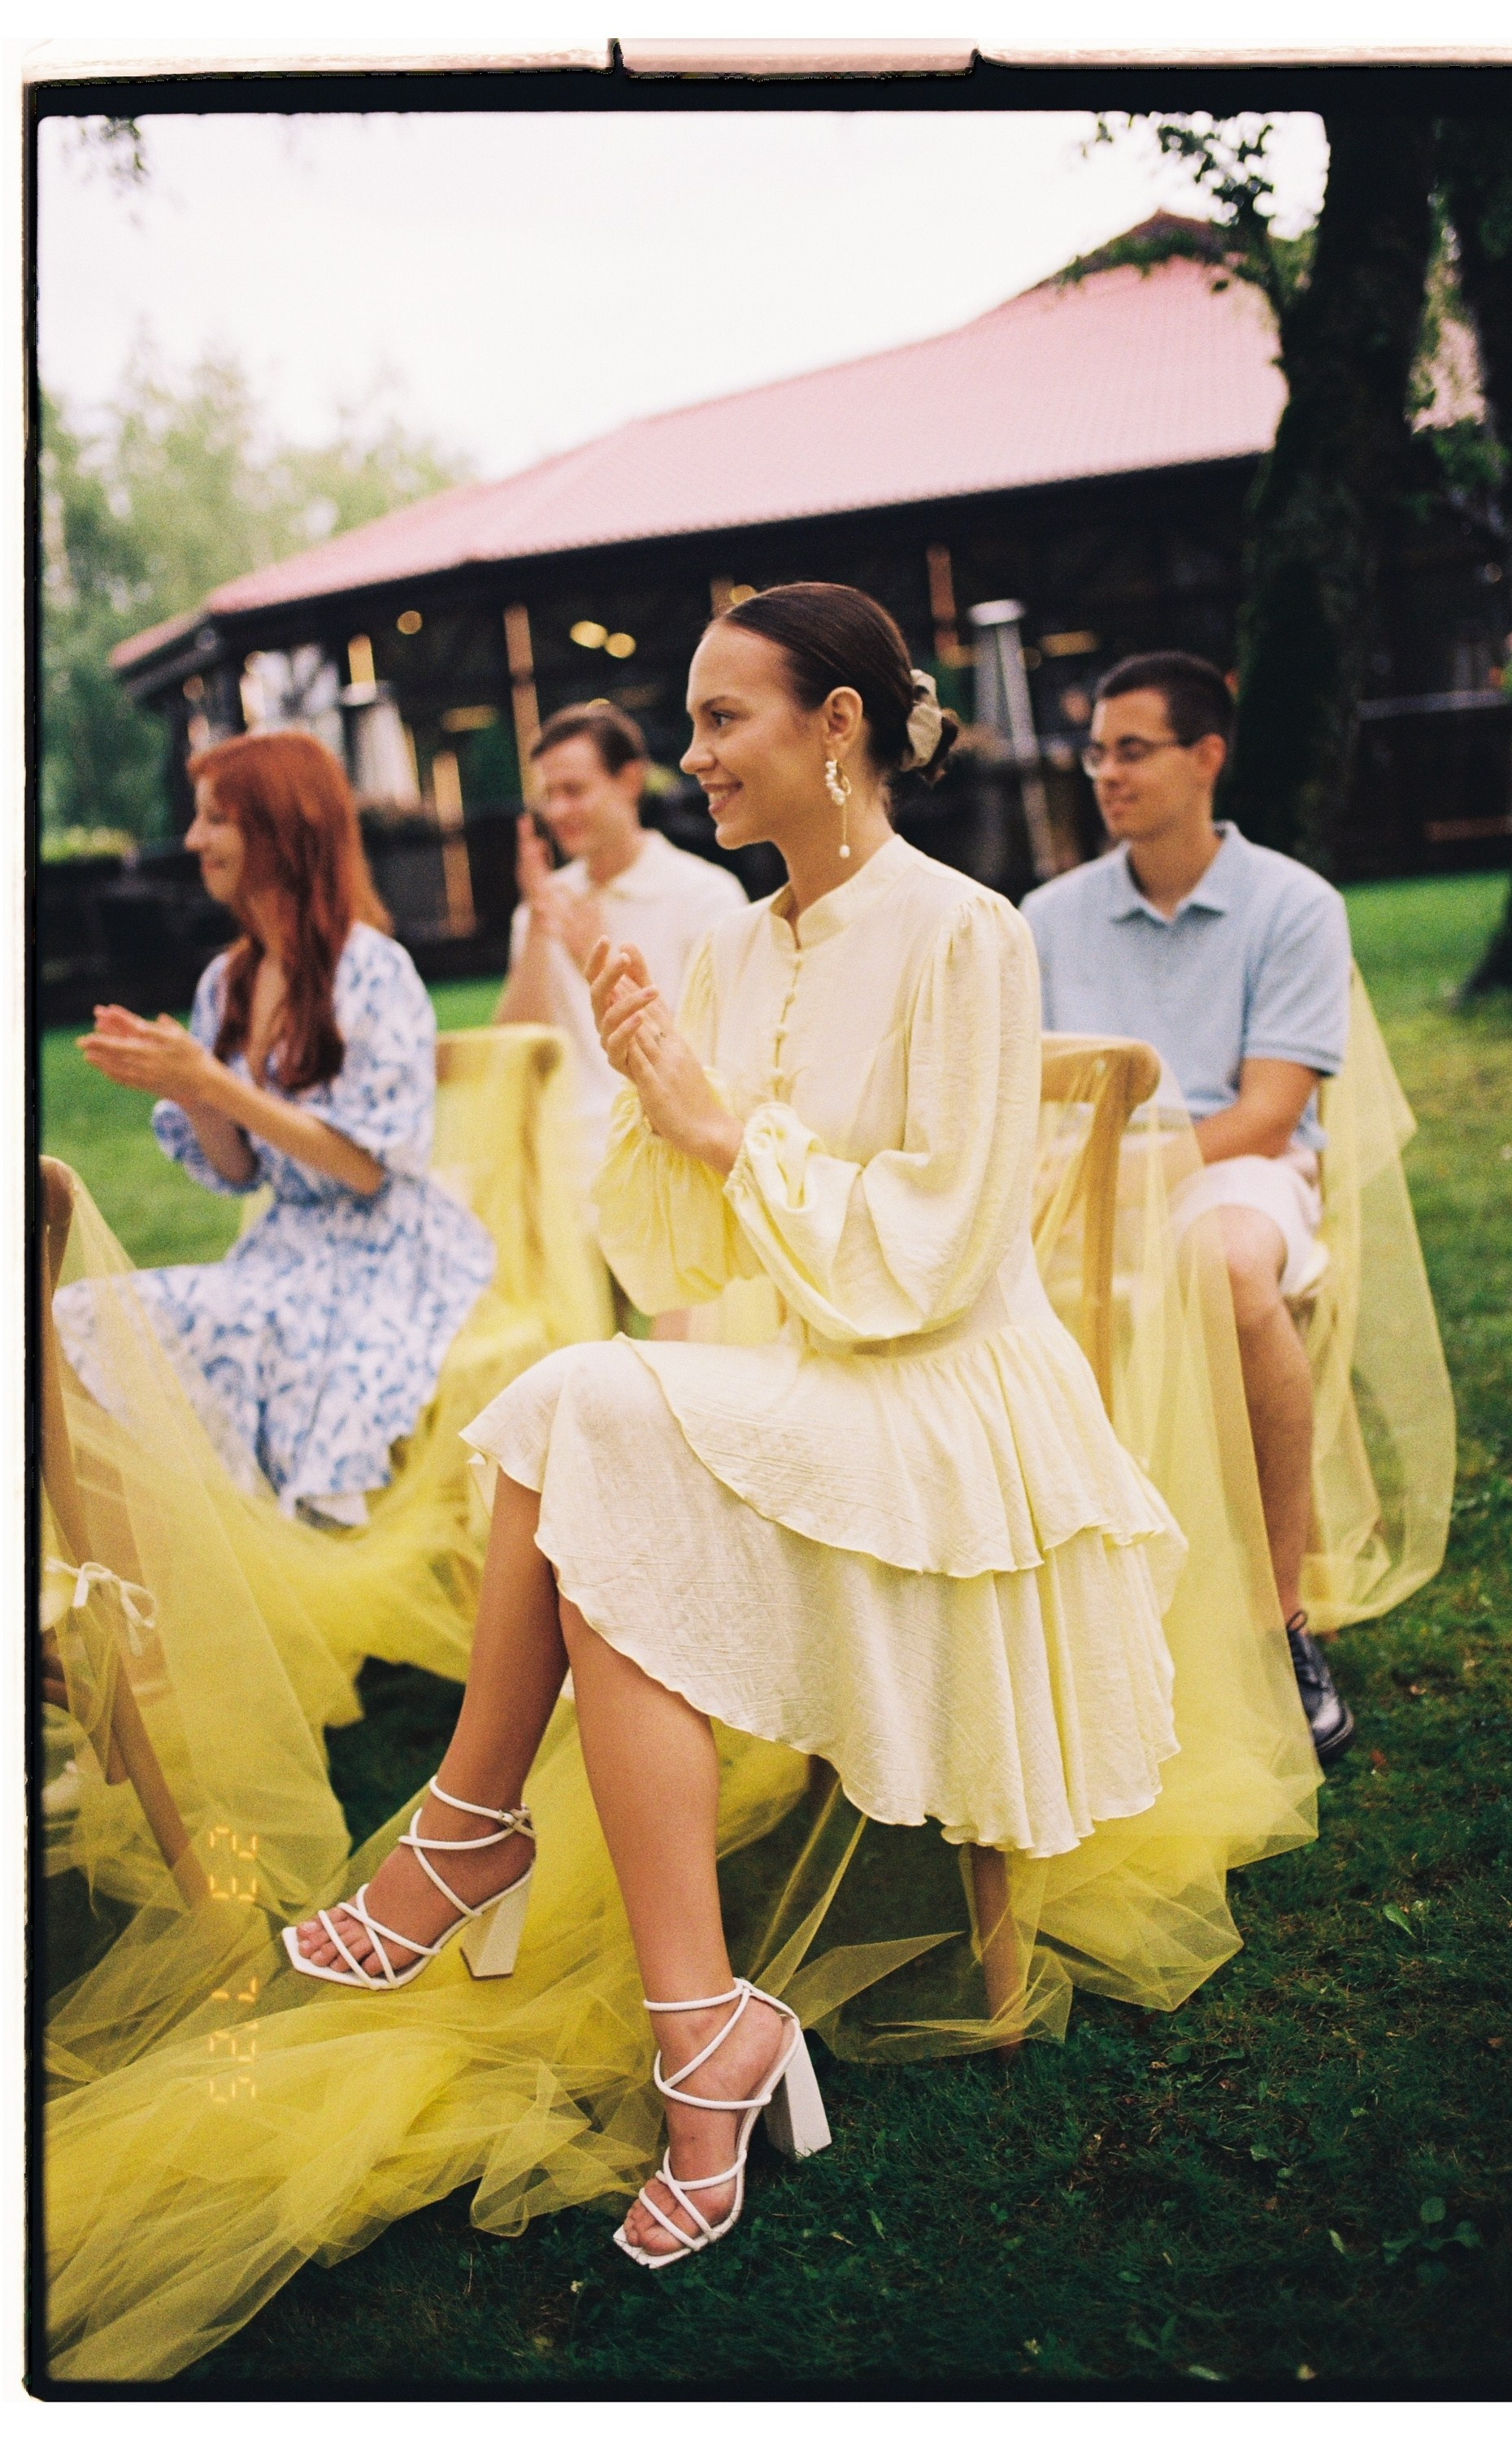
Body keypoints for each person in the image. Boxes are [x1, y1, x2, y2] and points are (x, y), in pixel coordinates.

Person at [286, 583, 1191, 2266]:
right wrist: (656, 1093)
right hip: (807, 1374)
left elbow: (927, 1257)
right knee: (594, 1451)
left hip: (948, 1401)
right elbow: (684, 1256)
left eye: (721, 720)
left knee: (579, 1418)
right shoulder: (728, 943)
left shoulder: (964, 931)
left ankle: (476, 1842)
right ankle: (698, 2028)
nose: (690, 754)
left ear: (835, 726)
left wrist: (713, 1127)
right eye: (690, 723)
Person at [1022, 651, 1357, 1764]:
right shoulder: (1046, 916)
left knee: (1221, 1264)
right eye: (1095, 751)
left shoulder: (1291, 904)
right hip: (1071, 1173)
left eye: (1132, 749)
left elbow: (1268, 1112)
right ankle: (1048, 1629)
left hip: (1233, 1168)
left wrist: (1117, 1182)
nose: (1104, 774)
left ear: (1204, 756)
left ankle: (1277, 1622)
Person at [63, 729, 494, 1528]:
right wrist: (189, 1092)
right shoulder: (228, 980)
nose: (193, 840)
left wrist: (211, 1079)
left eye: (214, 819)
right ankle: (171, 1542)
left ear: (282, 828)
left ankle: (299, 1544)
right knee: (83, 1315)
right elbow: (238, 1173)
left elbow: (369, 1170)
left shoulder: (374, 970)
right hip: (283, 1249)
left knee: (276, 1352)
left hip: (388, 1260)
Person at [493, 700, 747, 1179]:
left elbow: (715, 1059)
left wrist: (596, 955)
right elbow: (515, 1052)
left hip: (668, 1150)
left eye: (573, 790)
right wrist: (538, 926)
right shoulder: (543, 905)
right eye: (549, 795)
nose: (558, 810)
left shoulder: (706, 896)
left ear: (629, 781)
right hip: (562, 1160)